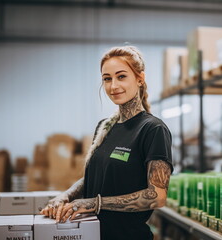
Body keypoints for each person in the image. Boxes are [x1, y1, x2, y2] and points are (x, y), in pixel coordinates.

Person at [40, 46, 173, 240]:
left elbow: (156, 197)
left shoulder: (152, 130)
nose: (113, 86)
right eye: (107, 79)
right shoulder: (105, 126)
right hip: (92, 234)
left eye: (121, 76)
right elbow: (95, 177)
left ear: (140, 78)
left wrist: (94, 203)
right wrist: (67, 195)